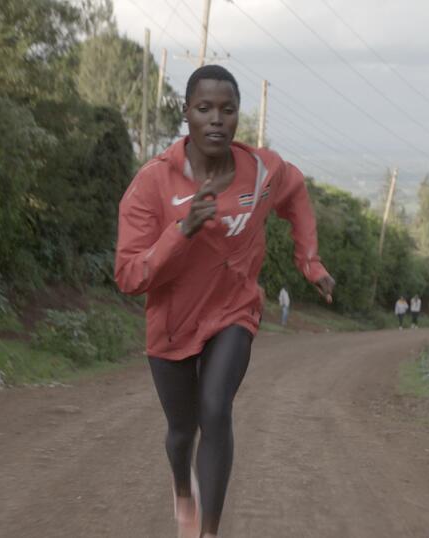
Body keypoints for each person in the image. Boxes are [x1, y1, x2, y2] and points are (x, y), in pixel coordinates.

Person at [114, 65, 335, 538]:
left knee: (215, 409)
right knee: (182, 430)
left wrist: (310, 262)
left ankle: (208, 532)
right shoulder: (152, 184)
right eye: (204, 108)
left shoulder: (260, 170)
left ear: (238, 117)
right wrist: (183, 230)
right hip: (172, 325)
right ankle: (181, 490)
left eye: (227, 110)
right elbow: (129, 276)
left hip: (234, 312)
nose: (216, 119)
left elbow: (295, 193)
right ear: (186, 114)